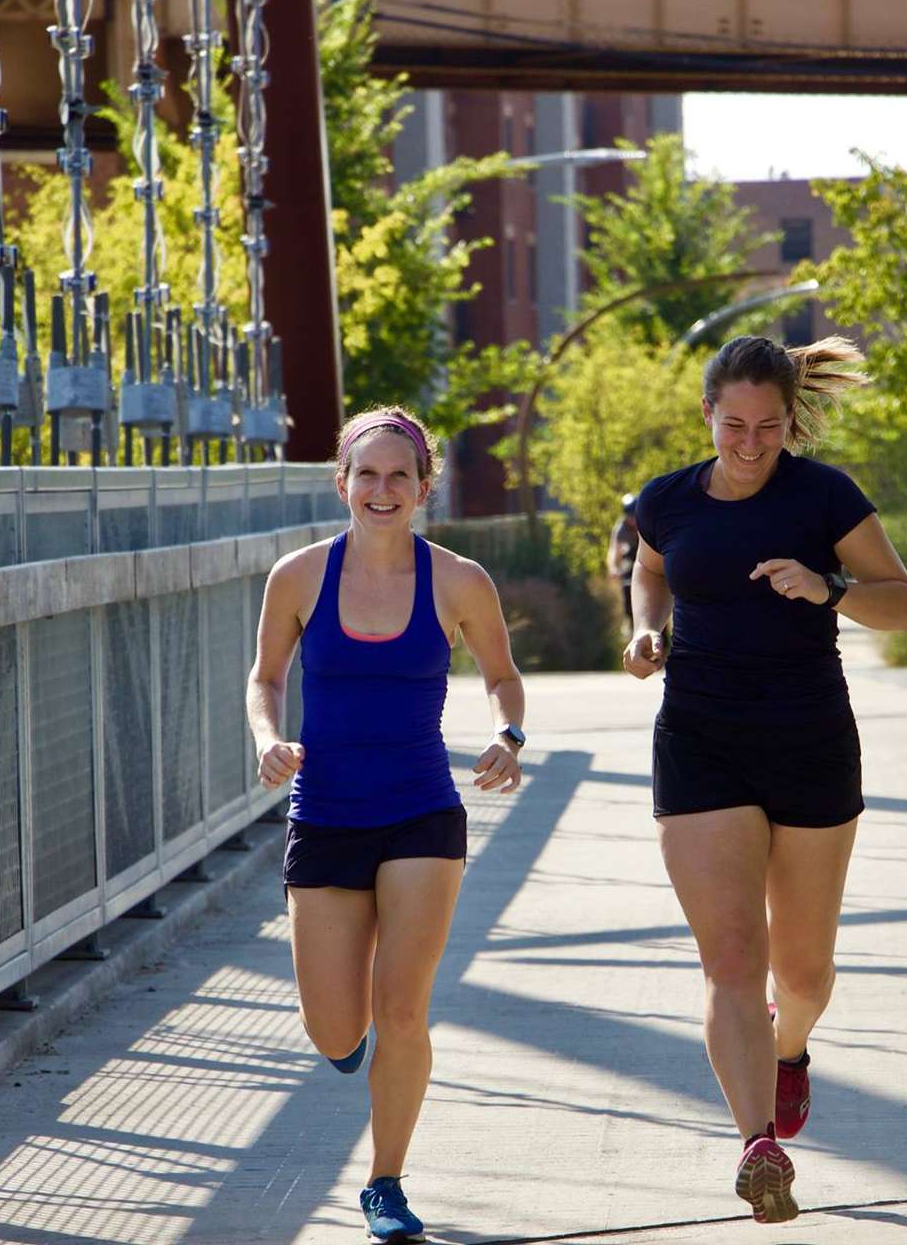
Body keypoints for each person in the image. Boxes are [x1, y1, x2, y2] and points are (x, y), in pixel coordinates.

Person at [622, 335, 907, 1225]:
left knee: (803, 968)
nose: (751, 443)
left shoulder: (824, 495)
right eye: (735, 424)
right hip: (701, 740)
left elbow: (901, 604)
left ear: (792, 421)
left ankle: (790, 1050)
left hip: (809, 743)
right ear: (707, 415)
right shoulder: (666, 499)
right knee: (732, 960)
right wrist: (646, 630)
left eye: (770, 427)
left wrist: (825, 585)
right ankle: (758, 1142)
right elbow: (650, 570)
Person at [247, 405, 526, 1245]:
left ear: (423, 488)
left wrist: (508, 735)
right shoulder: (297, 578)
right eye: (366, 474)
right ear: (342, 484)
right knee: (336, 1029)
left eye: (399, 476)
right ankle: (349, 1035)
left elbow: (503, 677)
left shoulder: (459, 581)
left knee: (402, 1011)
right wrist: (268, 739)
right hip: (326, 812)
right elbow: (264, 678)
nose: (381, 489)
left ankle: (385, 1183)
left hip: (420, 814)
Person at [607, 492, 640, 635]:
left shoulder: (647, 524)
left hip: (648, 561)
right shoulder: (621, 529)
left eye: (634, 514)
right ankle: (630, 621)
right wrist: (614, 568)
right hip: (631, 561)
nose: (632, 519)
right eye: (629, 515)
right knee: (627, 585)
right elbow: (614, 551)